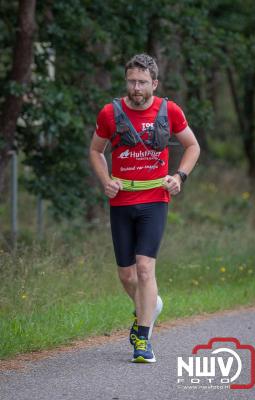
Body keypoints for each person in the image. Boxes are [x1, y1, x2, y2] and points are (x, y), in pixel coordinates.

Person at [89, 54, 200, 363]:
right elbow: (96, 151)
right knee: (126, 275)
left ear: (154, 83)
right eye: (131, 81)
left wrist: (180, 176)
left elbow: (193, 146)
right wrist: (105, 180)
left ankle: (143, 338)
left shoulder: (169, 110)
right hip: (121, 200)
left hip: (154, 199)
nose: (135, 88)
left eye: (141, 82)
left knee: (144, 267)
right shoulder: (110, 113)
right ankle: (150, 305)